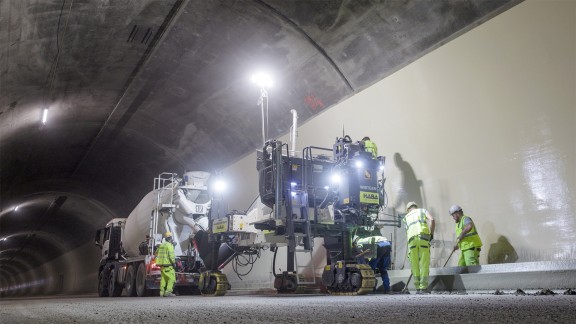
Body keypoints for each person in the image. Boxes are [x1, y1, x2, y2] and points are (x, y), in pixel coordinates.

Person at [403, 201, 435, 294]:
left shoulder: (406, 217)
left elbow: (407, 231)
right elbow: (432, 220)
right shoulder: (422, 211)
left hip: (412, 242)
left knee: (415, 265)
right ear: (415, 206)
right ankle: (423, 288)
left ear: (408, 209)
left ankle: (417, 288)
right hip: (423, 239)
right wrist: (431, 234)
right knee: (424, 263)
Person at [155, 231, 177, 297]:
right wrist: (174, 263)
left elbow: (156, 253)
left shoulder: (162, 245)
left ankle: (162, 293)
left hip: (162, 266)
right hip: (168, 265)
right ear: (170, 238)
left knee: (163, 279)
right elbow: (171, 256)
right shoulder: (169, 245)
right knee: (172, 279)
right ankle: (168, 292)